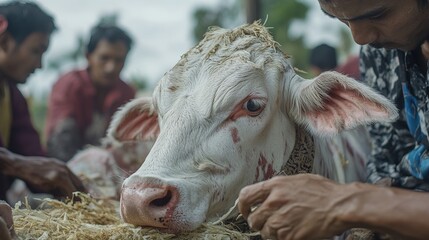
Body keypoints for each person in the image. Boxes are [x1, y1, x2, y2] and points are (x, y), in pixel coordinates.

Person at [238, 0, 429, 239]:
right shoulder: (380, 54)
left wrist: (348, 203)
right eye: (338, 18)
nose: (359, 37)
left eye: (379, 14)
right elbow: (388, 161)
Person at [45, 24, 136, 162]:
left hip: (108, 168)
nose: (111, 67)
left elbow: (126, 145)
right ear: (88, 57)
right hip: (65, 166)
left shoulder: (127, 93)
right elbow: (60, 142)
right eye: (104, 58)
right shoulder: (69, 85)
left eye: (119, 60)